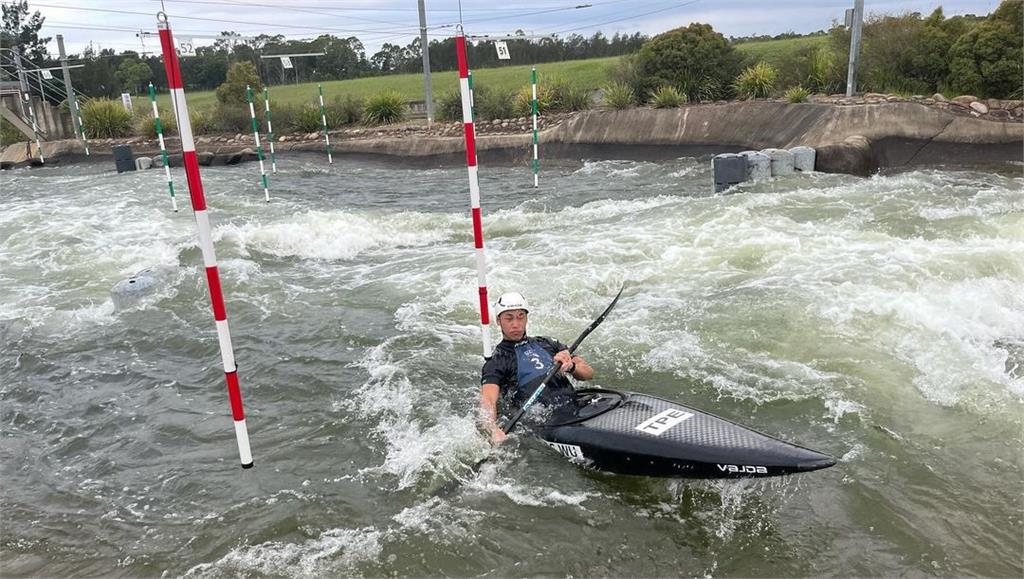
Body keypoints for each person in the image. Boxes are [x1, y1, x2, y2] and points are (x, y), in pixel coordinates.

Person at [479, 291, 594, 444]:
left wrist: (571, 366)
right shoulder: (497, 361)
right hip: (546, 419)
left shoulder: (547, 342)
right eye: (509, 318)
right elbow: (488, 400)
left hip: (576, 405)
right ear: (499, 321)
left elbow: (588, 373)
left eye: (521, 316)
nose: (516, 324)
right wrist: (492, 430)